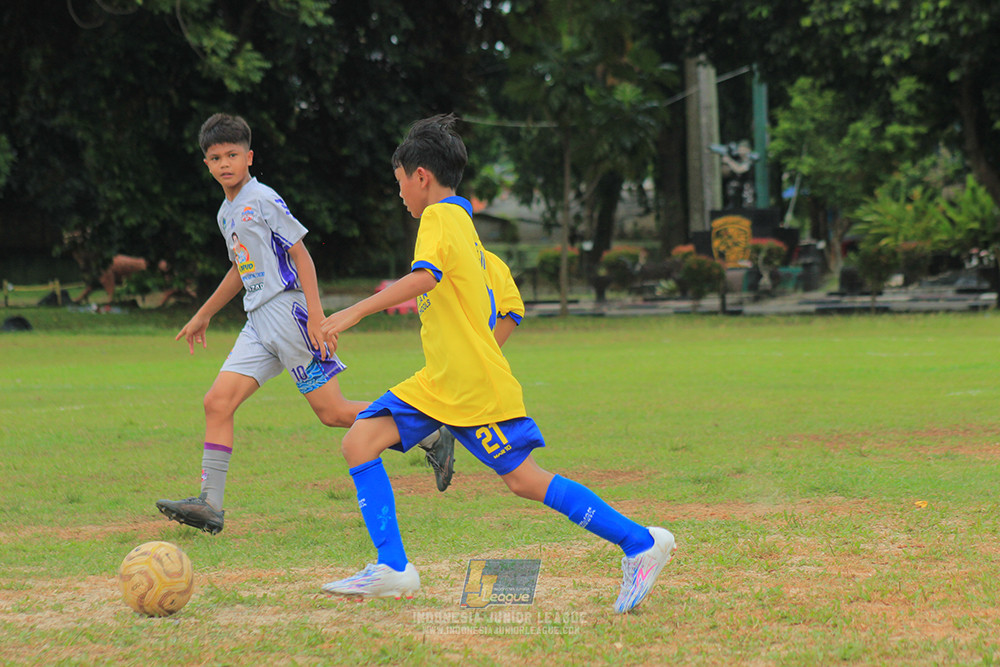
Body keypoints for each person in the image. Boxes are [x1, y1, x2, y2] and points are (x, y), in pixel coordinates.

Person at [318, 114, 675, 613]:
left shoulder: (438, 219)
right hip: (442, 383)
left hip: (466, 388)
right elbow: (510, 309)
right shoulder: (472, 236)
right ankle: (393, 568)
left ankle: (641, 543)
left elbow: (425, 278)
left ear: (420, 176)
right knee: (359, 440)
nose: (399, 192)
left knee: (526, 480)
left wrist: (351, 312)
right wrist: (480, 350)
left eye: (399, 181)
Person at [155, 113, 454, 536]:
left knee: (332, 413)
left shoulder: (263, 199)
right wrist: (204, 313)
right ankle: (210, 504)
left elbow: (302, 255)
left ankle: (427, 432)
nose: (224, 163)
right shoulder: (226, 214)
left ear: (249, 157)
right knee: (216, 403)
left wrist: (316, 315)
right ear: (206, 164)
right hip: (257, 322)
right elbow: (241, 270)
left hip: (287, 315)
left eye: (232, 155)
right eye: (215, 157)